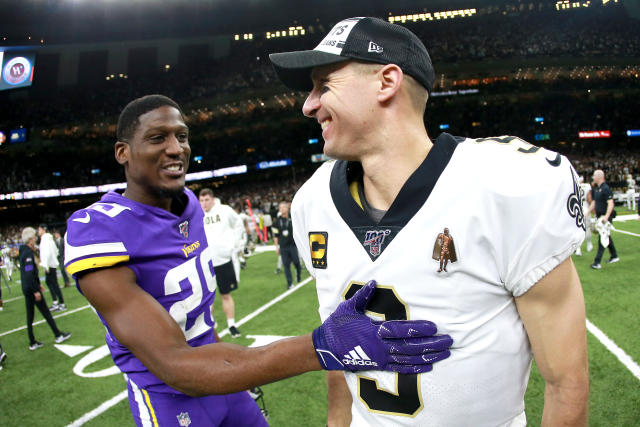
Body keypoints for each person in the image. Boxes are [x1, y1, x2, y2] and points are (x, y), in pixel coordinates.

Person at [270, 17, 589, 426]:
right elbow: (340, 354)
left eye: (324, 85)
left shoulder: (501, 185)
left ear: (386, 82)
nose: (308, 104)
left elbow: (567, 383)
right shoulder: (312, 202)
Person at [63, 94, 453, 427]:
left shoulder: (190, 209)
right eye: (157, 138)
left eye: (182, 136)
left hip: (221, 373)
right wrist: (324, 345)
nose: (175, 148)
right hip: (170, 395)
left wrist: (234, 367)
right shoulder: (98, 230)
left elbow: (196, 322)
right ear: (122, 153)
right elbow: (176, 365)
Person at [198, 188, 243, 338]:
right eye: (201, 200)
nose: (204, 203)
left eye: (206, 200)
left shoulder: (224, 210)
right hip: (206, 262)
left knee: (225, 294)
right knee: (206, 298)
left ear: (212, 199)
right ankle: (210, 323)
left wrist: (235, 244)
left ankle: (231, 324)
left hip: (223, 260)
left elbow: (238, 224)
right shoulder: (197, 214)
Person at [19, 227, 71, 350]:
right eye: (33, 237)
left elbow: (28, 274)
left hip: (27, 288)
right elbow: (28, 274)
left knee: (30, 316)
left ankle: (32, 342)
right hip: (31, 290)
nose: (35, 239)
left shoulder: (24, 251)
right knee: (46, 313)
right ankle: (58, 335)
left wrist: (37, 284)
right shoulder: (27, 253)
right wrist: (35, 289)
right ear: (30, 239)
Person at [589, 169, 619, 269]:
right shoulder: (596, 189)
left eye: (594, 175)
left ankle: (597, 262)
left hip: (605, 218)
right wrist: (587, 212)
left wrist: (606, 216)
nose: (593, 177)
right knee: (607, 237)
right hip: (599, 217)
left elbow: (611, 203)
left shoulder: (606, 188)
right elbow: (594, 202)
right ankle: (614, 255)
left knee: (602, 238)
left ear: (599, 176)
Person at [272, 201, 302, 289]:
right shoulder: (277, 222)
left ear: (287, 208)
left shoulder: (293, 219)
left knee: (297, 263)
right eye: (280, 208)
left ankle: (298, 274)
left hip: (292, 245)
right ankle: (290, 284)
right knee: (286, 265)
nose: (282, 209)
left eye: (283, 207)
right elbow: (275, 236)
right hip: (283, 247)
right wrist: (276, 247)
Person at [37, 224, 66, 311]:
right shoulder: (49, 239)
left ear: (43, 230)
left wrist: (46, 265)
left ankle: (61, 303)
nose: (38, 232)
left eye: (39, 230)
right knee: (50, 283)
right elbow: (55, 251)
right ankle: (56, 302)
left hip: (49, 265)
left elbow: (47, 253)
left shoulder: (45, 239)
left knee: (54, 284)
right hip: (51, 264)